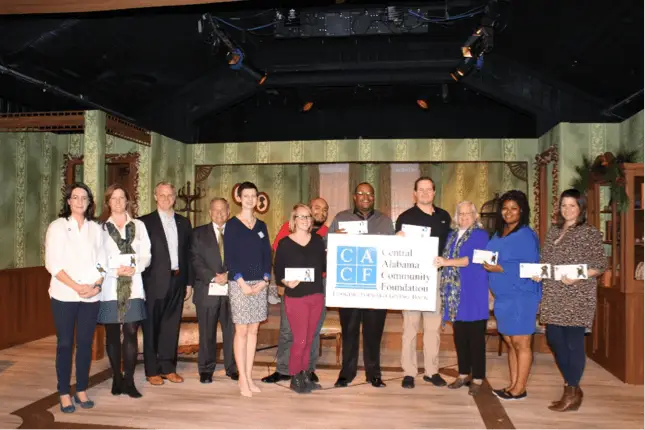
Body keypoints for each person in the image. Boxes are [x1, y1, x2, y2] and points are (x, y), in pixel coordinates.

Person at [537, 189, 606, 412]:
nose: (567, 210)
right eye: (564, 205)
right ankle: (574, 388)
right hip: (554, 294)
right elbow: (546, 261)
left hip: (577, 296)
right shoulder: (553, 231)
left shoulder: (590, 233)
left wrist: (580, 276)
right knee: (554, 339)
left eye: (572, 206)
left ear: (581, 208)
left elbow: (599, 265)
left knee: (573, 344)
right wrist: (540, 272)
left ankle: (570, 389)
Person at [45, 182, 104, 413]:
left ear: (89, 203)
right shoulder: (57, 227)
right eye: (75, 197)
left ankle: (81, 389)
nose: (80, 201)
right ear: (68, 201)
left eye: (85, 198)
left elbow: (102, 262)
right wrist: (76, 287)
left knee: (85, 345)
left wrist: (96, 286)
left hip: (90, 295)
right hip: (64, 295)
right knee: (66, 344)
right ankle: (63, 392)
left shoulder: (95, 229)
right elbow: (53, 263)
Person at [330, 182, 394, 388]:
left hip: (377, 287)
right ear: (354, 197)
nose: (365, 196)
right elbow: (327, 247)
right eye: (361, 193)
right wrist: (334, 239)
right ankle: (346, 373)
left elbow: (394, 252)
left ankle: (373, 374)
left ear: (374, 198)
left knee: (373, 333)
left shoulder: (385, 222)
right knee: (349, 331)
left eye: (369, 194)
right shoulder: (340, 218)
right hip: (349, 286)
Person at [263, 197, 329, 385]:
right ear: (294, 219)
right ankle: (291, 373)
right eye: (302, 216)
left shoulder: (319, 240)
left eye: (308, 216)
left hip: (315, 294)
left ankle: (307, 372)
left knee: (309, 337)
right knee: (294, 336)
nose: (306, 219)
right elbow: (279, 267)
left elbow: (324, 266)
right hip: (295, 297)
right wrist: (283, 283)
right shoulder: (285, 241)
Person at [395, 177, 452, 389]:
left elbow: (449, 247)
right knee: (410, 328)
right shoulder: (405, 217)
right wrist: (397, 239)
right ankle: (409, 372)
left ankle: (432, 371)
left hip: (435, 276)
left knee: (432, 328)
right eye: (421, 189)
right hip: (411, 277)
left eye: (429, 189)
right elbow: (397, 251)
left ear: (434, 192)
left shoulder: (444, 216)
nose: (426, 193)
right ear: (415, 193)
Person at [484, 190, 541, 400]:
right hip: (503, 296)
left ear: (522, 211)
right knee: (509, 341)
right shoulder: (499, 233)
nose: (508, 212)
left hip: (522, 295)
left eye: (513, 208)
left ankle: (520, 388)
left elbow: (531, 267)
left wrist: (500, 268)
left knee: (521, 342)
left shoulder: (526, 235)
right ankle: (513, 384)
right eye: (505, 208)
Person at [97, 184, 151, 398]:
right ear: (108, 202)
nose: (118, 202)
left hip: (133, 286)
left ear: (127, 201)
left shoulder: (138, 226)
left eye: (122, 198)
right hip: (110, 287)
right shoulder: (100, 229)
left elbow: (147, 254)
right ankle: (116, 379)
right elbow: (97, 261)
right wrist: (112, 272)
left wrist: (135, 267)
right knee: (112, 335)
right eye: (114, 198)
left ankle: (129, 380)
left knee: (130, 333)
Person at [434, 201, 489, 396]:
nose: (464, 217)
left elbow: (470, 259)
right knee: (460, 339)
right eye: (461, 213)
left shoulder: (481, 235)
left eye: (468, 213)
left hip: (473, 292)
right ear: (456, 216)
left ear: (475, 216)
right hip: (455, 295)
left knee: (476, 339)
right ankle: (464, 373)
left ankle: (478, 378)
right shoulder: (451, 235)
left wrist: (447, 262)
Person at [139, 182, 193, 386]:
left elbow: (188, 254)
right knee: (151, 327)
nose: (166, 198)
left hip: (178, 280)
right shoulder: (143, 223)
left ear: (174, 197)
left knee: (171, 327)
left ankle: (168, 368)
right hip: (153, 282)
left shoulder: (184, 222)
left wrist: (188, 282)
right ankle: (152, 370)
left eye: (170, 195)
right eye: (162, 195)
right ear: (155, 196)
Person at [224, 181, 272, 397]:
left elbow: (266, 255)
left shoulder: (261, 225)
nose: (250, 199)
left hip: (259, 283)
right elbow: (230, 256)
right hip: (239, 284)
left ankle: (249, 375)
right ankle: (242, 378)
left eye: (254, 195)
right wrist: (241, 282)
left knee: (254, 330)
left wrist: (265, 279)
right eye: (246, 195)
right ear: (239, 198)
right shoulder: (232, 224)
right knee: (241, 331)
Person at [190, 197, 239, 384]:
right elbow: (194, 259)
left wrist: (229, 274)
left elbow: (242, 258)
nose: (219, 214)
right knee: (207, 332)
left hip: (232, 289)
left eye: (223, 210)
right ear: (210, 212)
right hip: (207, 289)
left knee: (231, 332)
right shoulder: (198, 234)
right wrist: (213, 276)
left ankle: (232, 367)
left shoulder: (236, 233)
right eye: (215, 210)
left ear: (228, 213)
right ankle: (206, 369)